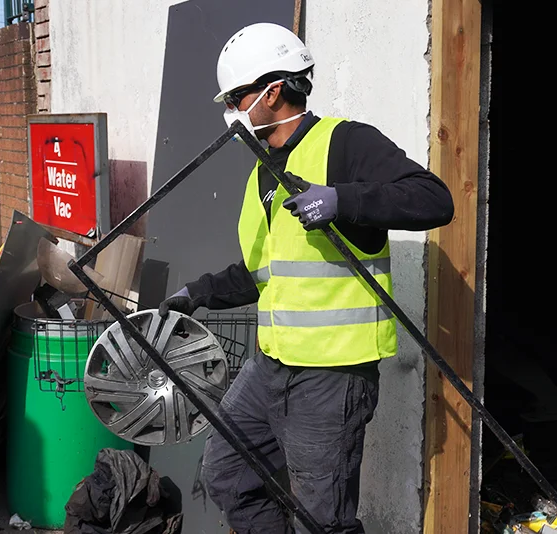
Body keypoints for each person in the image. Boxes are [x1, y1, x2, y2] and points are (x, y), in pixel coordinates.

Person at [157, 22, 454, 534]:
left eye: (237, 97)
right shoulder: (261, 170)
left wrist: (345, 199)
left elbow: (435, 199)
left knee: (323, 519)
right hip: (272, 365)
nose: (230, 110)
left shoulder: (344, 142)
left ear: (272, 92)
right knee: (228, 475)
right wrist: (198, 293)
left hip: (332, 376)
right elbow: (268, 272)